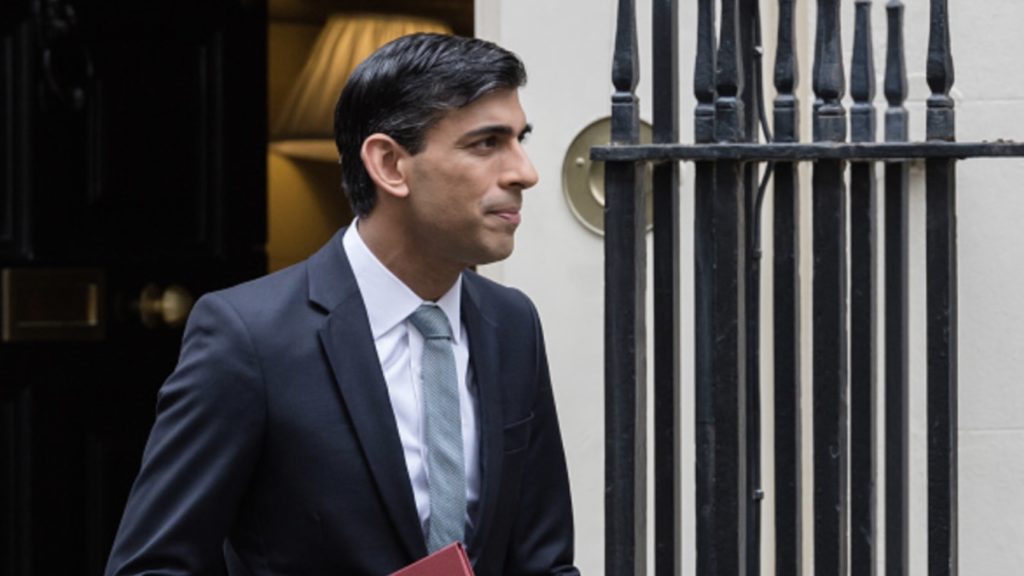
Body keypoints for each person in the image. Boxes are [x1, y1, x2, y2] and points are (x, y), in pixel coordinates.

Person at [105, 33, 579, 576]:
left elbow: (544, 563)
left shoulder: (511, 323)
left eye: (520, 139)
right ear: (390, 165)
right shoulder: (249, 337)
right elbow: (152, 567)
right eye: (486, 143)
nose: (525, 171)